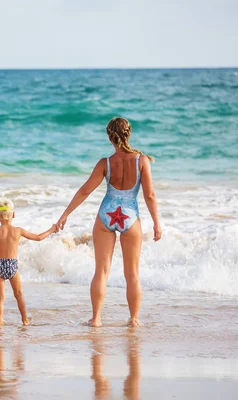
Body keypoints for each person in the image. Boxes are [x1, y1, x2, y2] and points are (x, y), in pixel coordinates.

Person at [56, 117, 162, 328]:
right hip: (130, 217)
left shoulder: (105, 163)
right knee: (132, 273)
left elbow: (85, 190)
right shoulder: (142, 161)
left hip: (106, 215)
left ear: (109, 136)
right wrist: (156, 223)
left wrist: (65, 214)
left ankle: (96, 318)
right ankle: (133, 320)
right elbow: (149, 195)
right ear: (129, 134)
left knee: (101, 271)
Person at [0, 199, 58, 325]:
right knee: (18, 293)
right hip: (12, 265)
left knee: (0, 296)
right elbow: (38, 238)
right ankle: (25, 319)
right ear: (13, 215)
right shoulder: (18, 230)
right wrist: (52, 229)